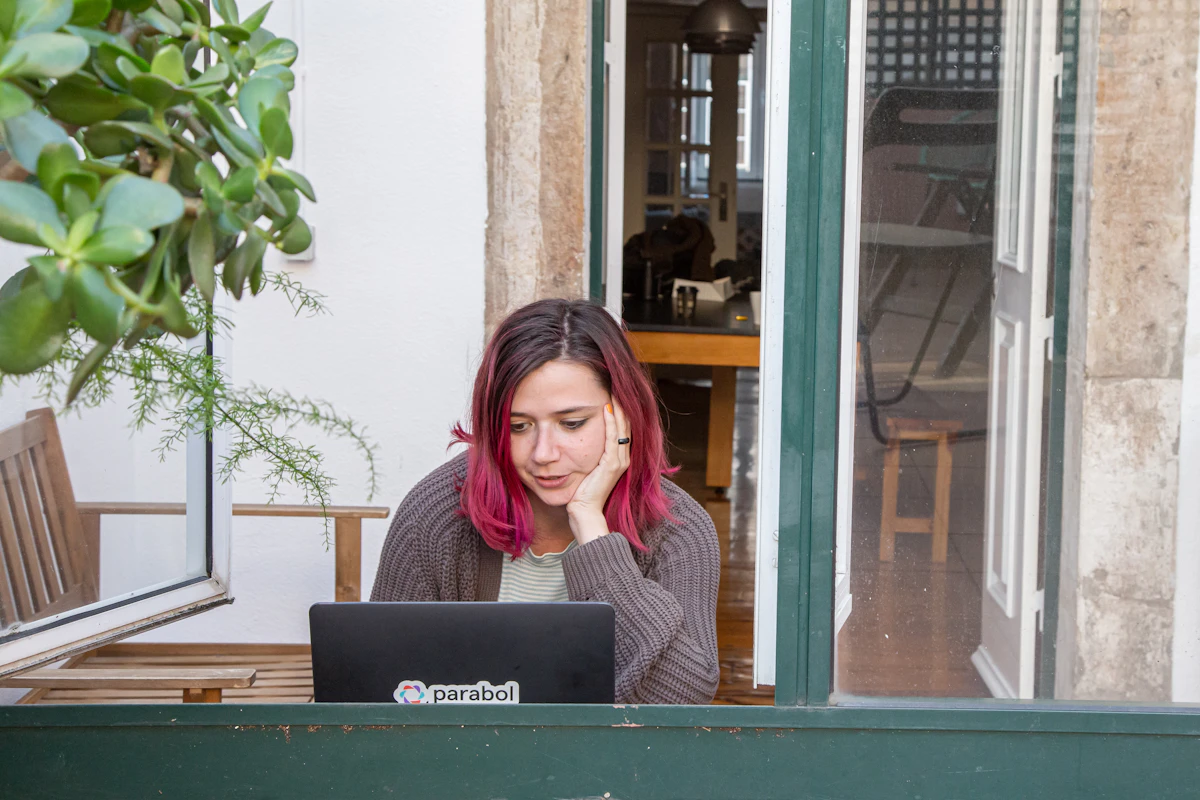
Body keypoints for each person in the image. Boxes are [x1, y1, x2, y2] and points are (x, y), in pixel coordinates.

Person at [371, 298, 721, 705]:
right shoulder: (435, 515)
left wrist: (593, 531)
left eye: (571, 424)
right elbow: (385, 688)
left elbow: (683, 701)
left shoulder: (676, 529)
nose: (543, 453)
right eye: (518, 427)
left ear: (625, 415)